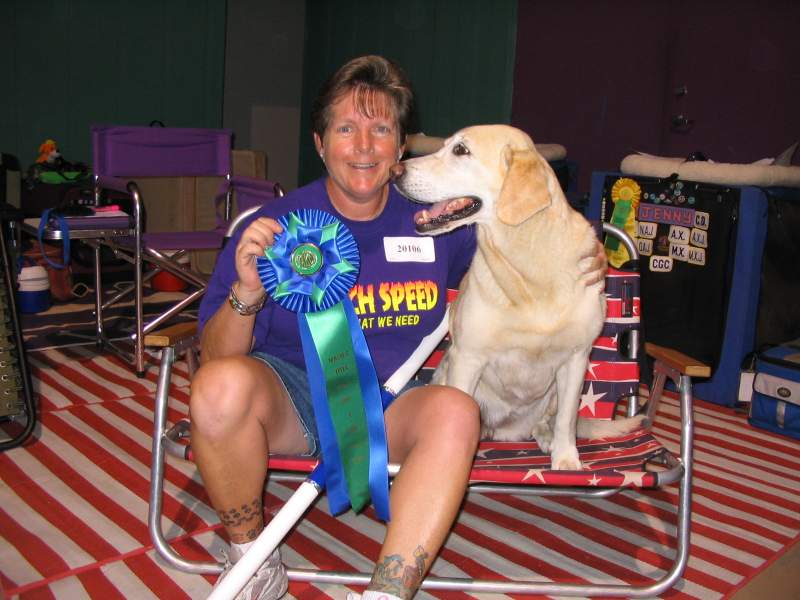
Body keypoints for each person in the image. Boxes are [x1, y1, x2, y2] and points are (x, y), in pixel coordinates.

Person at [191, 55, 606, 600]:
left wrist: (585, 249)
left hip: (396, 402)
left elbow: (521, 234)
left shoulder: (439, 222)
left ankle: (387, 593)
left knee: (458, 410)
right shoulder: (272, 229)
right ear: (319, 143)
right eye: (346, 128)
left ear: (401, 145)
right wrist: (247, 292)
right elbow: (214, 357)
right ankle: (253, 560)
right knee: (218, 389)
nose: (364, 146)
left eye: (381, 129)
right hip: (288, 396)